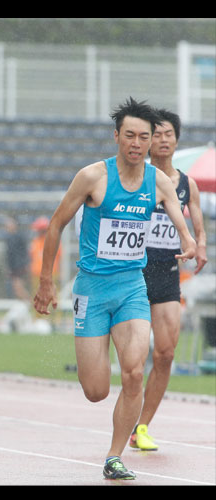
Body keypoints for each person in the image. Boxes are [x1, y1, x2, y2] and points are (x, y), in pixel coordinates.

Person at [33, 97, 196, 480]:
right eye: (130, 136)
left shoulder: (157, 180)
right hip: (92, 288)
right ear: (117, 137)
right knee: (95, 390)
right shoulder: (93, 177)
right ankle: (99, 360)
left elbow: (176, 212)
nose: (137, 144)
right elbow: (55, 225)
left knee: (135, 372)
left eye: (144, 137)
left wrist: (188, 240)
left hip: (131, 288)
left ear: (151, 140)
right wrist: (45, 281)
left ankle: (114, 455)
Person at [131, 108, 208, 451]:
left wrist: (200, 245)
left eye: (168, 134)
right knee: (133, 358)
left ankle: (142, 426)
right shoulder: (135, 176)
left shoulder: (186, 183)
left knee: (164, 354)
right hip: (132, 271)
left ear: (176, 140)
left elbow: (198, 227)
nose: (162, 140)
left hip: (167, 273)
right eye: (156, 134)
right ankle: (126, 413)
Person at [3, 216, 30, 301]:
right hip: (14, 267)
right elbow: (9, 255)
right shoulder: (9, 238)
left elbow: (24, 252)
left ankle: (31, 304)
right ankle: (27, 305)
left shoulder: (19, 237)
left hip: (19, 266)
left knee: (18, 288)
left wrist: (25, 264)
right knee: (16, 289)